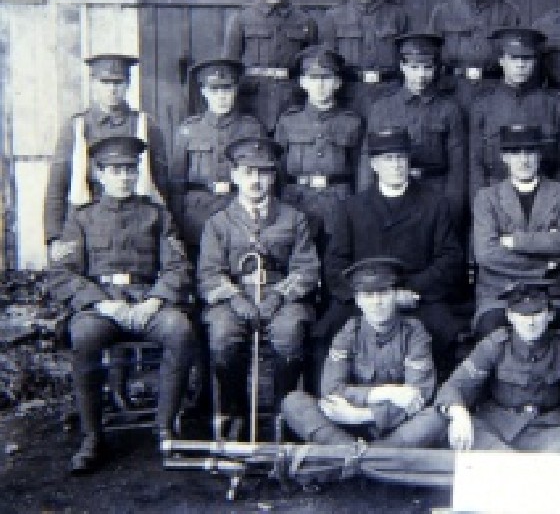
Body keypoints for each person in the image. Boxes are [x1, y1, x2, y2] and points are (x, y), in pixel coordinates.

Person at [46, 136, 195, 473]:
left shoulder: (157, 215)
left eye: (129, 170)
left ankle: (165, 427)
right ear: (99, 174)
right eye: (115, 171)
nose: (124, 177)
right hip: (103, 307)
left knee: (180, 329)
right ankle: (92, 436)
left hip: (147, 301)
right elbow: (62, 274)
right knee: (83, 335)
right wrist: (101, 304)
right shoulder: (81, 219)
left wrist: (156, 300)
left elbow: (177, 266)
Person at [317, 128, 464, 381]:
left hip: (417, 296)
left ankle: (439, 403)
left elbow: (450, 258)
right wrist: (367, 295)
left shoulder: (435, 204)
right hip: (364, 297)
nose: (396, 165)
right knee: (327, 329)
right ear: (374, 164)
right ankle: (333, 398)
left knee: (444, 329)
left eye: (401, 158)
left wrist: (407, 291)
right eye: (388, 159)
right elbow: (335, 263)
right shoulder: (352, 207)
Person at [198, 137, 320, 439]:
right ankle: (234, 411)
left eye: (263, 173)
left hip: (282, 299)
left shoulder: (294, 219)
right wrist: (235, 297)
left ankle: (285, 414)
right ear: (235, 175)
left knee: (290, 330)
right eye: (248, 172)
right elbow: (209, 273)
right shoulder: (218, 223)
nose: (256, 180)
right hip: (233, 299)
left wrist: (280, 295)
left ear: (273, 176)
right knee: (223, 334)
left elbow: (306, 268)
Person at [435, 280, 560, 454]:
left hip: (551, 429)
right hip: (498, 427)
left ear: (550, 315)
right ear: (510, 316)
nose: (530, 322)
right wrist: (460, 415)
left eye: (537, 314)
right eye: (523, 315)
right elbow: (456, 385)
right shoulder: (495, 344)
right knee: (460, 436)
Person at [281, 257, 444, 447]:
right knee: (293, 402)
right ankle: (363, 454)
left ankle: (356, 456)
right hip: (347, 427)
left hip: (396, 427)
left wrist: (360, 415)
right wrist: (387, 392)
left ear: (397, 296)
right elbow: (332, 390)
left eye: (383, 293)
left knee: (437, 417)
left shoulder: (415, 333)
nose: (376, 302)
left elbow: (418, 398)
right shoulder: (349, 331)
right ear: (358, 301)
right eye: (368, 295)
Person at [471, 124, 560, 337]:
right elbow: (486, 254)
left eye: (530, 152)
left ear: (539, 155)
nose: (523, 160)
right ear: (504, 157)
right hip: (500, 293)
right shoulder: (486, 198)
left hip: (552, 292)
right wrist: (546, 263)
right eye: (515, 153)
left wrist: (515, 242)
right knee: (491, 330)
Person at [45, 54, 167, 260]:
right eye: (105, 82)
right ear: (93, 84)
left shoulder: (145, 125)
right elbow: (57, 186)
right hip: (86, 224)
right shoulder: (76, 127)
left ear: (127, 84)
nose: (112, 89)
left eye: (118, 82)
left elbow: (161, 184)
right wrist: (54, 237)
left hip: (135, 224)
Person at [362, 33, 467, 225]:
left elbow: (457, 167)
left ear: (435, 69)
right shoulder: (382, 108)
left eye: (427, 67)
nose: (421, 75)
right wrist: (367, 204)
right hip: (394, 193)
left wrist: (454, 208)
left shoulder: (449, 109)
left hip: (437, 191)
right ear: (402, 67)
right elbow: (368, 160)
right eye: (414, 67)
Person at [170, 58, 265, 253]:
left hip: (239, 211)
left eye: (227, 89)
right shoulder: (189, 130)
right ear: (204, 92)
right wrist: (178, 224)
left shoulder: (251, 129)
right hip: (197, 216)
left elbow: (266, 179)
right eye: (215, 90)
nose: (221, 96)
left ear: (235, 90)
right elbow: (176, 185)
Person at [274, 46, 363, 247]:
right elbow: (277, 169)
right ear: (303, 82)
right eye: (313, 78)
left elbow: (361, 171)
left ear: (337, 83)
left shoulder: (351, 122)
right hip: (296, 203)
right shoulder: (289, 121)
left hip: (339, 203)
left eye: (326, 78)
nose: (320, 85)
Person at [223, 0, 317, 134]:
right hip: (251, 104)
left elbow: (313, 68)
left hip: (292, 104)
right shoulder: (241, 20)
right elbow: (229, 70)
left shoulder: (304, 21)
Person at [468, 27, 560, 198]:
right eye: (514, 58)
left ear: (535, 61)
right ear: (501, 60)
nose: (520, 65)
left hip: (544, 198)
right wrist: (479, 207)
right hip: (496, 199)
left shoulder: (554, 105)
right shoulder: (483, 105)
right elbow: (476, 164)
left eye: (527, 58)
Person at [429, 0, 521, 111]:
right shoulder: (443, 12)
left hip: (496, 95)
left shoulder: (509, 13)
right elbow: (431, 60)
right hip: (453, 96)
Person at [319, 0, 409, 117]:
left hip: (389, 97)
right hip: (348, 99)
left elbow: (407, 62)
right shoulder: (334, 17)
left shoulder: (397, 14)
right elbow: (326, 66)